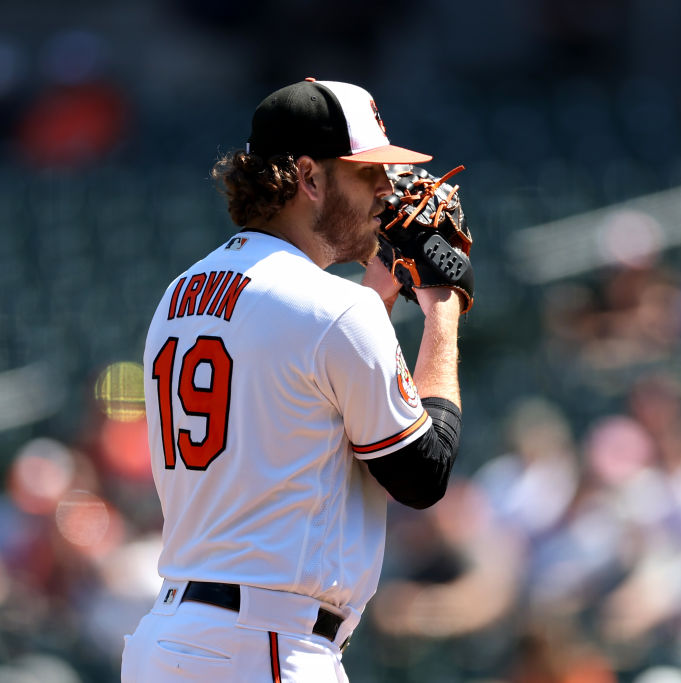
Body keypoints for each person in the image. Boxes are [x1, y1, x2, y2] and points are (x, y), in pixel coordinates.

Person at [121, 78, 464, 682]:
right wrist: (443, 304)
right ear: (309, 177)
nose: (388, 192)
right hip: (265, 647)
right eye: (368, 174)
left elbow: (312, 395)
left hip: (170, 642)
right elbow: (422, 472)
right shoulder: (332, 310)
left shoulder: (179, 293)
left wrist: (378, 295)